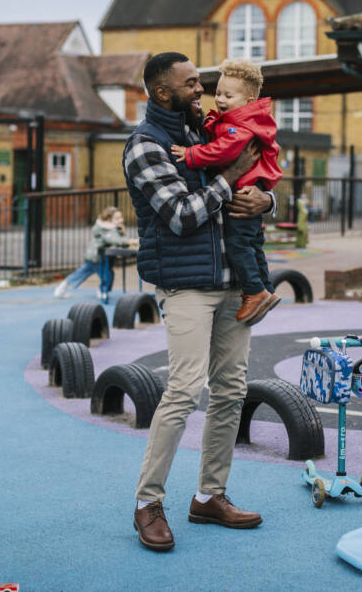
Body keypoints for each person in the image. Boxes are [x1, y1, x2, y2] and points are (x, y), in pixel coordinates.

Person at [124, 52, 274, 552]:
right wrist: (230, 182)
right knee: (185, 390)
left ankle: (210, 495)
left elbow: (257, 177)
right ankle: (148, 503)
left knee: (231, 391)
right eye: (191, 84)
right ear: (164, 93)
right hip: (187, 286)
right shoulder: (146, 147)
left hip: (233, 283)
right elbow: (182, 215)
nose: (202, 90)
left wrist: (265, 200)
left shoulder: (205, 134)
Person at [170, 58, 282, 324]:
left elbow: (223, 151)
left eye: (228, 95)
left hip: (243, 192)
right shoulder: (242, 120)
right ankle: (265, 289)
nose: (220, 99)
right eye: (218, 93)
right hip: (249, 190)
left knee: (237, 242)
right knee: (253, 244)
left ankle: (255, 292)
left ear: (248, 100)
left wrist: (191, 154)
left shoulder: (238, 125)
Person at [53, 206, 132, 302]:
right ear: (108, 219)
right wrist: (129, 241)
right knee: (108, 275)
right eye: (117, 218)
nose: (121, 220)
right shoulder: (107, 229)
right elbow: (115, 240)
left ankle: (61, 287)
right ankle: (102, 291)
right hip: (98, 258)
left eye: (121, 217)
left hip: (94, 256)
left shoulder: (109, 228)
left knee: (81, 273)